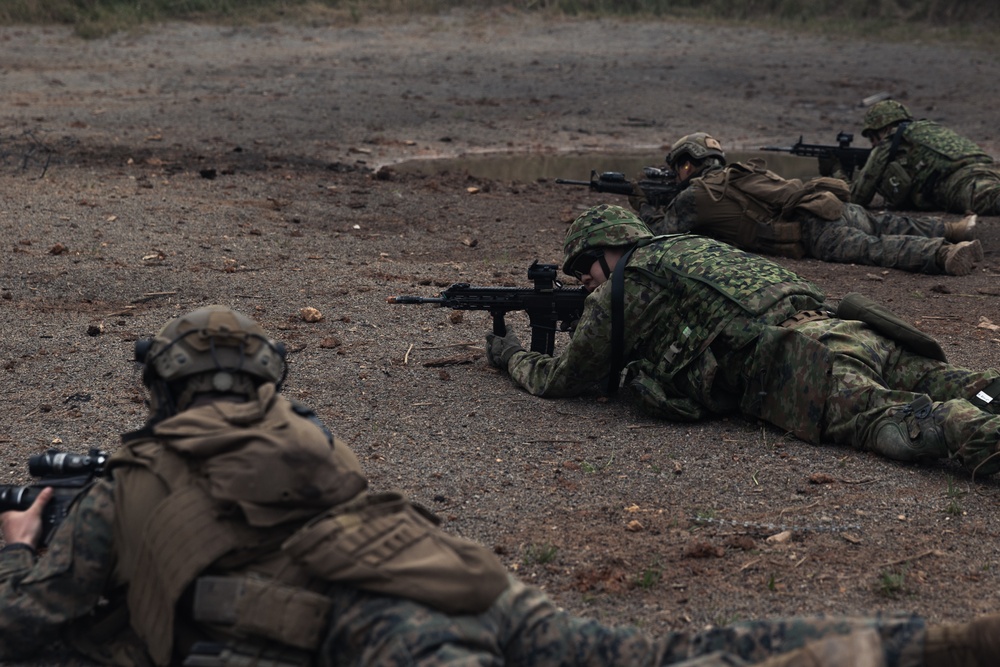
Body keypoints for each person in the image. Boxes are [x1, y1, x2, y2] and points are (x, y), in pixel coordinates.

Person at [3, 307, 999, 667]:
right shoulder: (309, 437)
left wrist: (22, 539)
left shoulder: (128, 482)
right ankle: (909, 643)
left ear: (161, 387)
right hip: (473, 584)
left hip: (382, 636)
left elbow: (35, 621)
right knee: (657, 652)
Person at [486, 204, 1000, 479]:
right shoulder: (691, 248)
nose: (582, 282)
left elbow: (561, 380)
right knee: (963, 384)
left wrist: (509, 354)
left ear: (602, 251)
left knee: (904, 423)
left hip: (802, 359)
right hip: (853, 328)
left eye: (581, 269)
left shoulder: (624, 288)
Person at [630, 132, 984, 276]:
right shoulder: (737, 174)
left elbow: (661, 234)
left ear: (687, 163)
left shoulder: (696, 195)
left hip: (810, 225)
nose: (676, 174)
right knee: (883, 223)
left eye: (677, 167)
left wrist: (642, 203)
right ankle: (954, 228)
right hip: (826, 201)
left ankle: (943, 253)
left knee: (873, 248)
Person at [850, 99, 1000, 216]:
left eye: (872, 138)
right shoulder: (928, 127)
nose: (873, 144)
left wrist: (839, 175)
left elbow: (858, 197)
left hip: (960, 181)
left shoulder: (890, 139)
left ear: (882, 128)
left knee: (991, 200)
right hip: (988, 168)